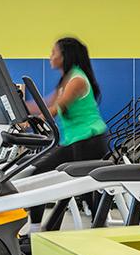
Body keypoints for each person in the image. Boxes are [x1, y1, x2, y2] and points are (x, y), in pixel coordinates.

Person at [30, 37, 110, 222]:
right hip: (77, 140)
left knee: (39, 176)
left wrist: (39, 118)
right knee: (80, 190)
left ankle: (34, 231)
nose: (50, 56)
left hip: (89, 140)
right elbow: (44, 104)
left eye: (54, 52)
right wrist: (14, 108)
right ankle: (99, 228)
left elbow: (59, 106)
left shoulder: (77, 79)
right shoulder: (67, 79)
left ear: (64, 56)